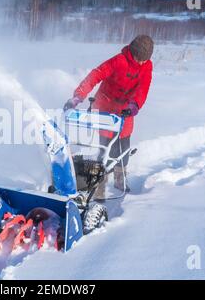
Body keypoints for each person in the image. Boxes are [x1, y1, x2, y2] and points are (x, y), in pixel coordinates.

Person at [64, 35, 154, 199]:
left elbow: (143, 88)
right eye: (139, 58)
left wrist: (134, 106)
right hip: (104, 106)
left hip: (125, 111)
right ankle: (97, 184)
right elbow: (95, 76)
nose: (141, 62)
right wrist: (78, 97)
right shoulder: (119, 61)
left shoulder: (147, 66)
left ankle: (120, 180)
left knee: (123, 149)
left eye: (144, 60)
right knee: (102, 148)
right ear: (133, 52)